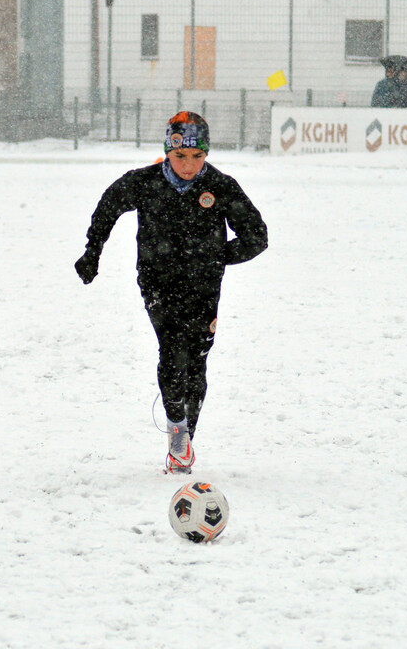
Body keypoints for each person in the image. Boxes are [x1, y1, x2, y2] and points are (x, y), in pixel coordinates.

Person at [74, 112, 268, 473]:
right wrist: (92, 252)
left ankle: (184, 437)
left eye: (198, 157)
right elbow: (107, 208)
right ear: (167, 152)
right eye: (180, 157)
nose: (189, 165)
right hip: (157, 283)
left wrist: (215, 257)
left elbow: (258, 237)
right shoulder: (144, 183)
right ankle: (177, 431)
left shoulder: (221, 187)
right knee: (173, 350)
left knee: (196, 363)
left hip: (203, 288)